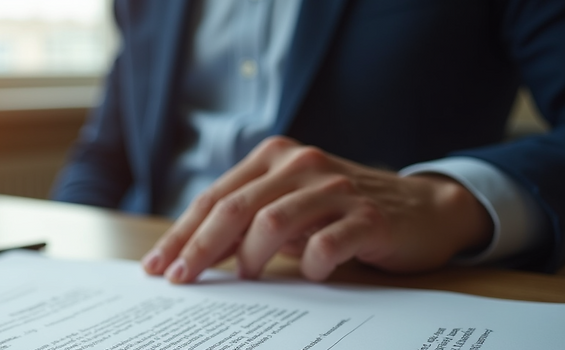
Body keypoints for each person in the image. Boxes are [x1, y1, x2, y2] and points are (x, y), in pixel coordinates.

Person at [52, 0, 565, 283]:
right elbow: (104, 155)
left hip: (359, 285)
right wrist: (58, 269)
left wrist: (450, 201)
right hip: (147, 271)